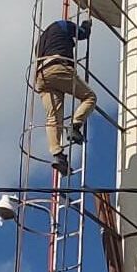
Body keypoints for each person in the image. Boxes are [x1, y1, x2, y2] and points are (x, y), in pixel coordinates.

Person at [35, 18, 97, 175]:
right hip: (58, 67)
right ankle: (75, 126)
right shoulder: (63, 24)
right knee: (89, 97)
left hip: (40, 74)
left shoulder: (41, 41)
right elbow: (82, 34)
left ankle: (58, 156)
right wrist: (86, 25)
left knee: (53, 117)